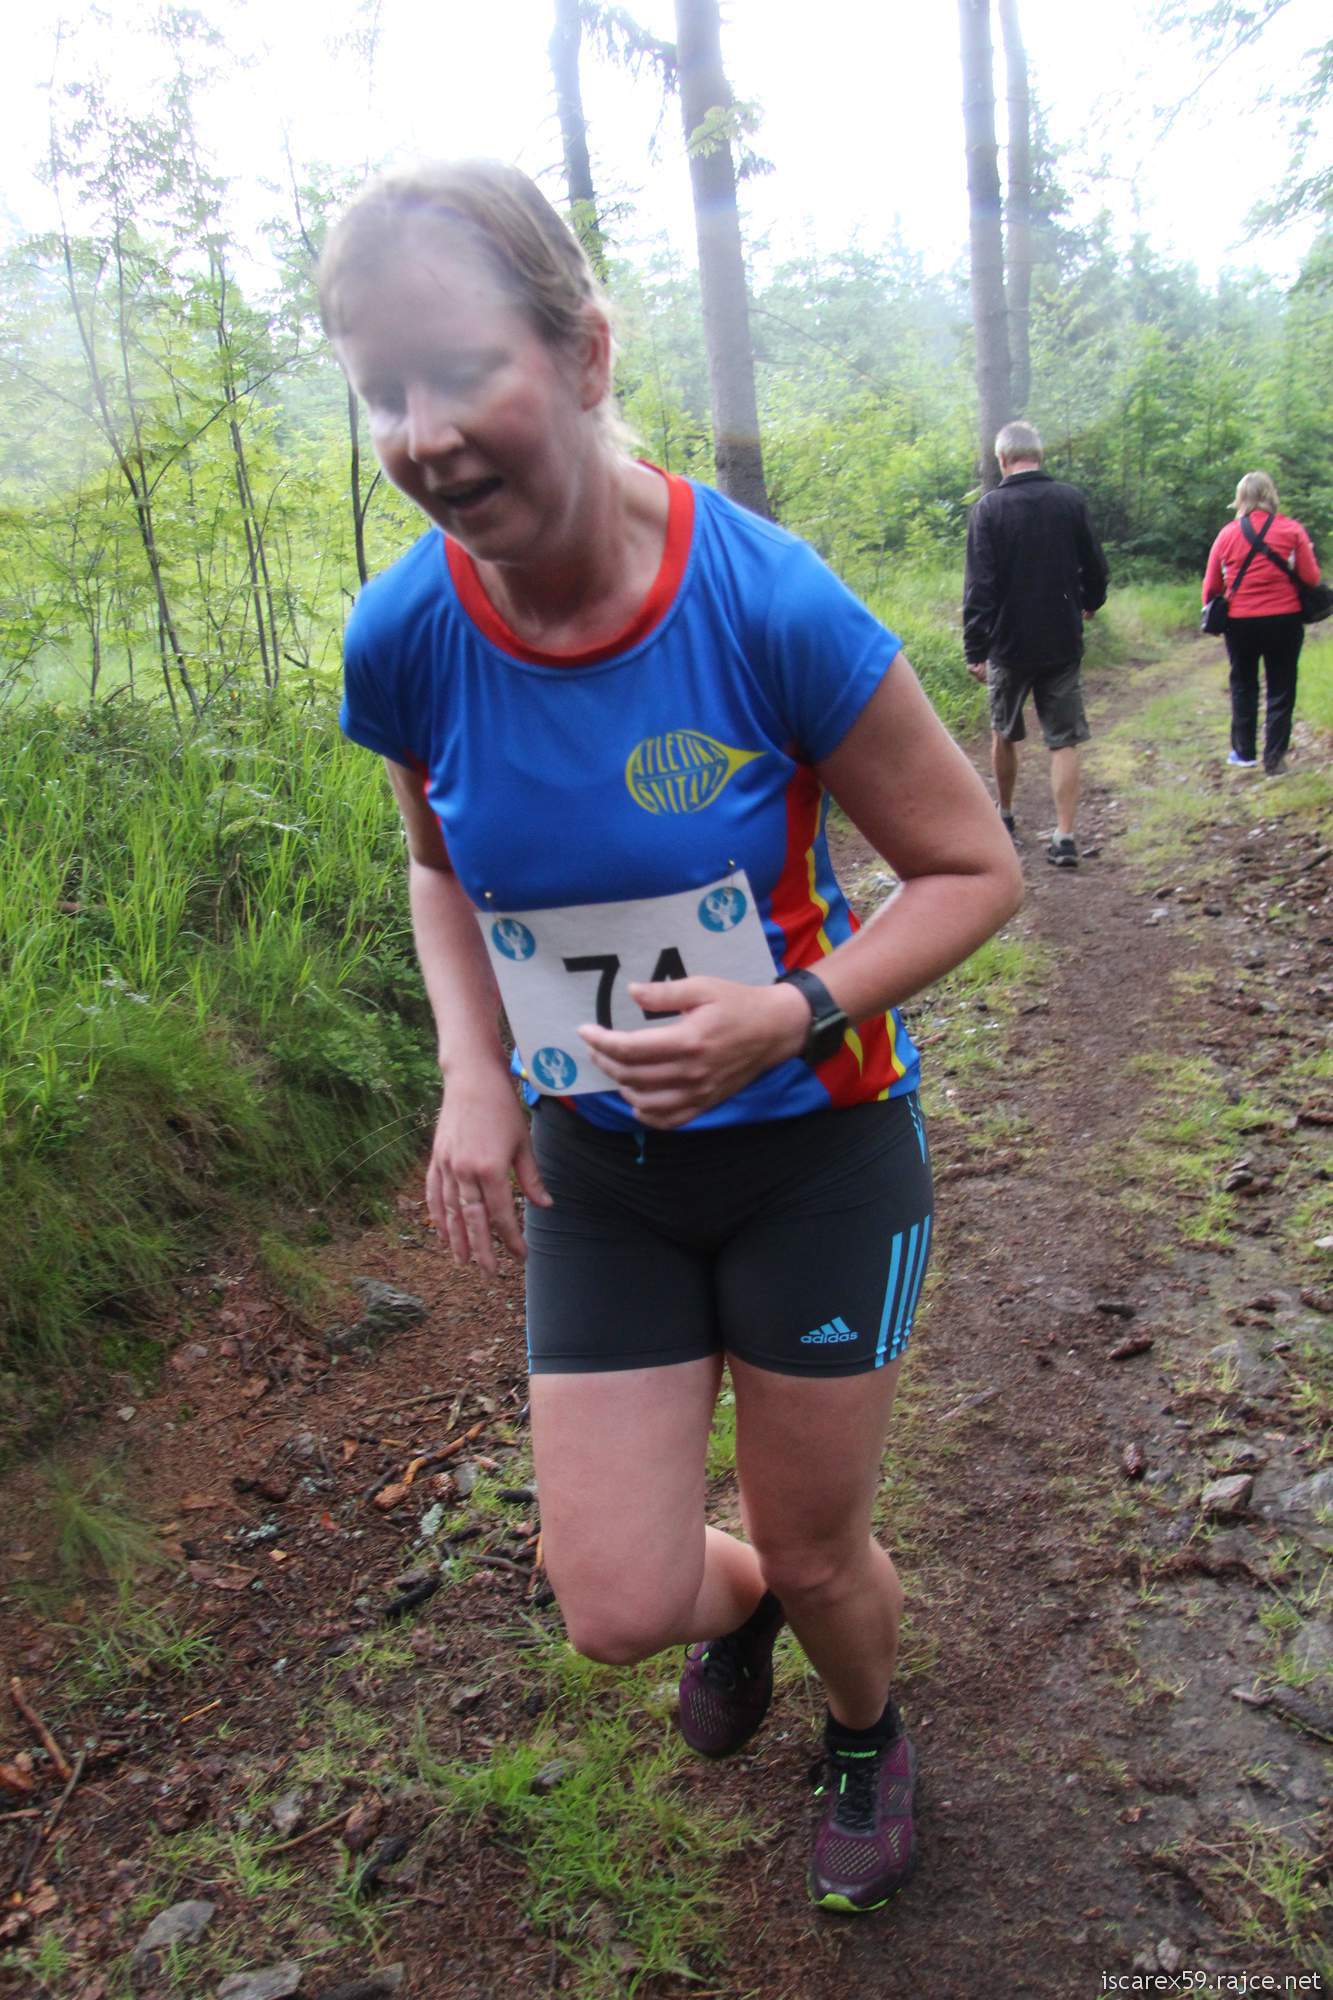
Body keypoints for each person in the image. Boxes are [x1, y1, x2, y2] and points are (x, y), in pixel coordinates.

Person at [320, 161, 1022, 1915]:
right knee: (617, 1606)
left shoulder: (766, 604)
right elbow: (437, 872)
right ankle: (760, 1605)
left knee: (815, 1542)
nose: (421, 434)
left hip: (814, 1156)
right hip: (605, 1173)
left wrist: (787, 1010)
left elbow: (971, 869)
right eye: (382, 389)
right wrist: (475, 1072)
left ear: (583, 352)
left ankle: (864, 1727)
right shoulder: (405, 633)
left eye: (458, 369)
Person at [962, 421, 1109, 868]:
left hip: (1008, 643)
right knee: (1064, 740)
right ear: (1039, 455)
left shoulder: (989, 509)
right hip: (1061, 639)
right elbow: (1096, 566)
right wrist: (1090, 601)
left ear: (1002, 459)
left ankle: (1005, 816)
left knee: (1004, 732)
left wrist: (975, 648)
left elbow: (980, 586)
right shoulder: (1070, 500)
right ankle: (1064, 837)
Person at [1202, 471, 1322, 776]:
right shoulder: (1292, 530)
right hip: (1285, 619)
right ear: (1270, 495)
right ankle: (1274, 758)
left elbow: (1212, 585)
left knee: (1243, 684)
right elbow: (1311, 578)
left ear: (1241, 498)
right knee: (1282, 685)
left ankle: (1244, 753)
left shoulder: (1227, 534)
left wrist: (1212, 611)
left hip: (1240, 622)